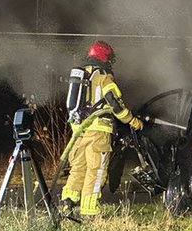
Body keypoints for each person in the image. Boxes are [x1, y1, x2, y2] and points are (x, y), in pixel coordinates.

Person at [61, 41, 143, 217]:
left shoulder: (82, 75)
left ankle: (67, 203)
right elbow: (115, 105)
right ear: (104, 57)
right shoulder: (104, 77)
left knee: (78, 169)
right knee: (96, 170)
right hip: (98, 132)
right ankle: (90, 211)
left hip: (78, 132)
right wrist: (133, 121)